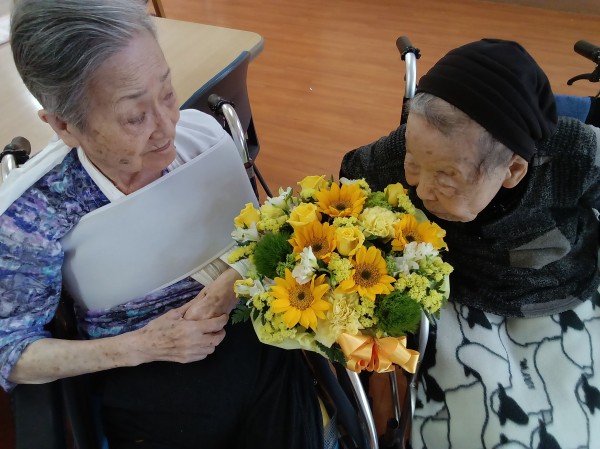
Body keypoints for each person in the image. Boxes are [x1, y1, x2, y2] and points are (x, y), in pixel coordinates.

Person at [0, 1, 327, 448]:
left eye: (168, 92)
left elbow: (261, 242)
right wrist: (144, 345)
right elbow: (11, 350)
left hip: (257, 344)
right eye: (135, 117)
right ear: (63, 125)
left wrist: (233, 280)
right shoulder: (34, 216)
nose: (167, 126)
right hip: (143, 378)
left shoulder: (203, 141)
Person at [340, 39, 600, 449]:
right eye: (413, 164)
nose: (422, 189)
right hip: (460, 297)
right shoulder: (411, 147)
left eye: (446, 178)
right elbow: (348, 181)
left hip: (560, 290)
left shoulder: (574, 155)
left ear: (513, 170)